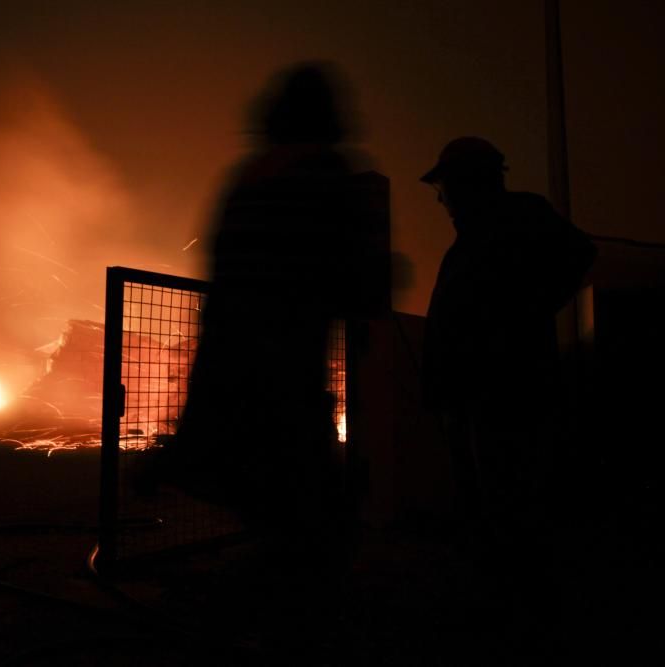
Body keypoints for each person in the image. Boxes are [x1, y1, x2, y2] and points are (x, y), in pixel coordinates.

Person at [155, 62, 387, 658]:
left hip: (232, 392)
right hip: (287, 397)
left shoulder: (247, 180)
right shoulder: (326, 177)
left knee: (282, 537)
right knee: (310, 548)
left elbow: (228, 296)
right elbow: (361, 289)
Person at [420, 136, 596, 635]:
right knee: (492, 507)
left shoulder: (510, 222)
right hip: (480, 397)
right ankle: (512, 613)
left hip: (501, 396)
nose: (443, 199)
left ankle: (519, 621)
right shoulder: (480, 236)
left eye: (447, 186)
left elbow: (579, 253)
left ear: (469, 181)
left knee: (507, 508)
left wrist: (522, 312)